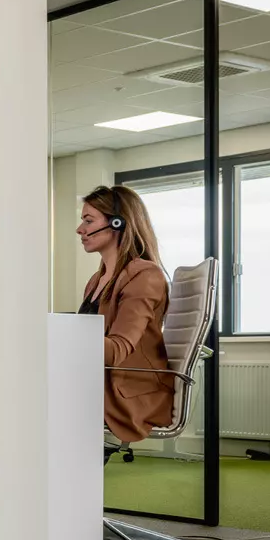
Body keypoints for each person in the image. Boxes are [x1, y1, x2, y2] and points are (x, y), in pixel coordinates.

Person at [76, 184, 174, 446]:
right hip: (95, 382)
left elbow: (117, 350)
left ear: (117, 223)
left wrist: (60, 336)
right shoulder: (96, 280)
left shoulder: (144, 275)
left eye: (88, 221)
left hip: (125, 391)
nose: (80, 229)